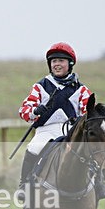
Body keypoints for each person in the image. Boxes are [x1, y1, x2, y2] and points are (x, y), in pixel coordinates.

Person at [16, 42, 95, 200]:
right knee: (33, 148)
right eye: (54, 61)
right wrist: (35, 111)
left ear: (70, 64)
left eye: (61, 61)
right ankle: (24, 185)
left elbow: (88, 114)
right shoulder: (40, 87)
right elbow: (23, 111)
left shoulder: (81, 90)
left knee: (89, 151)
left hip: (71, 131)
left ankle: (99, 185)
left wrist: (80, 120)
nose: (57, 64)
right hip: (46, 131)